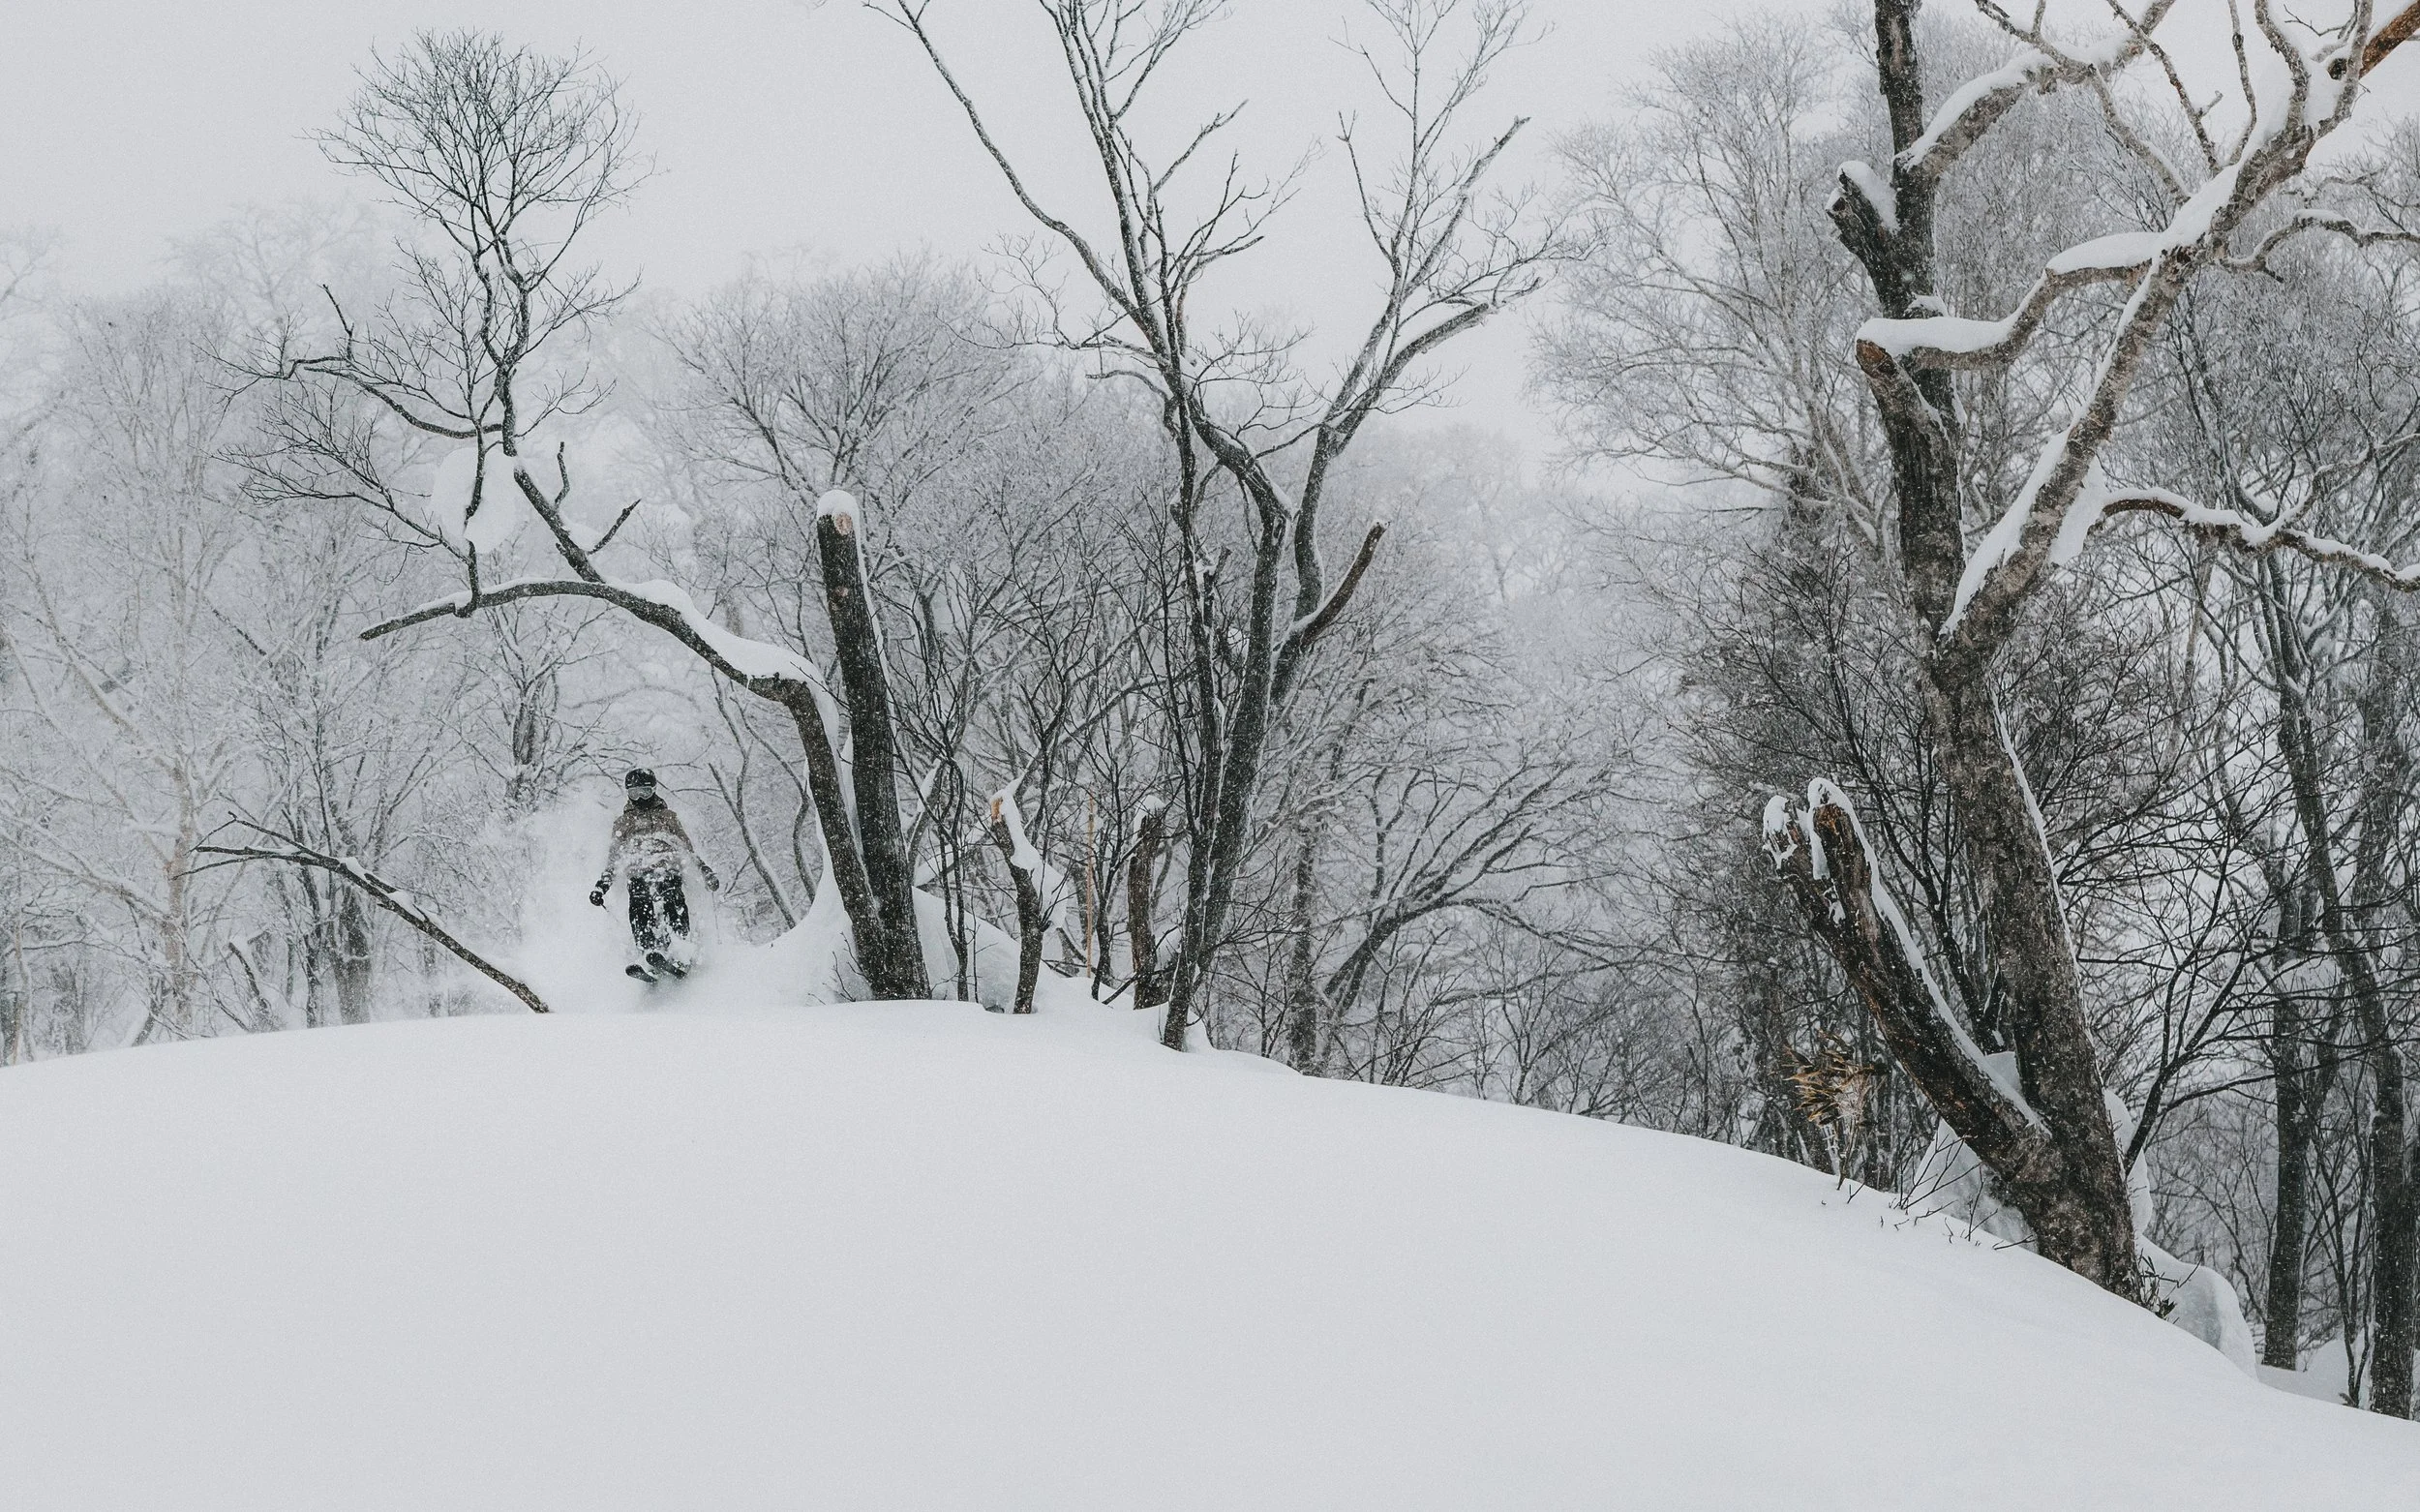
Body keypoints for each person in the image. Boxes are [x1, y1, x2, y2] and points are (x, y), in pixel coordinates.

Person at [590, 768, 720, 979]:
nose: (640, 798)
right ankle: (647, 951)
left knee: (673, 900)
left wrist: (706, 872)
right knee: (639, 905)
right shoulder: (623, 823)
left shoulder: (668, 817)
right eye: (634, 793)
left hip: (666, 869)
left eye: (645, 792)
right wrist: (601, 886)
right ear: (628, 793)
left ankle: (680, 950)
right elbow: (614, 859)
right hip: (638, 873)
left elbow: (686, 848)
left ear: (654, 790)